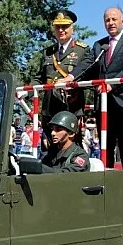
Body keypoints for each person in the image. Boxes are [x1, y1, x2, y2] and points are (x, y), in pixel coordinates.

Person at [65, 7, 123, 169]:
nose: (111, 23)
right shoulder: (99, 45)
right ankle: (106, 183)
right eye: (107, 20)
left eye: (114, 19)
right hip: (103, 105)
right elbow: (87, 65)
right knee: (105, 148)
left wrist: (111, 84)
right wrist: (72, 77)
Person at [31, 10, 90, 145]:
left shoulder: (82, 50)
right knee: (48, 150)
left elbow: (87, 76)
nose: (61, 30)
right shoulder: (48, 52)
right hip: (49, 110)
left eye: (65, 27)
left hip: (71, 108)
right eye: (58, 27)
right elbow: (39, 78)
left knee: (71, 150)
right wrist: (26, 92)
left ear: (72, 29)